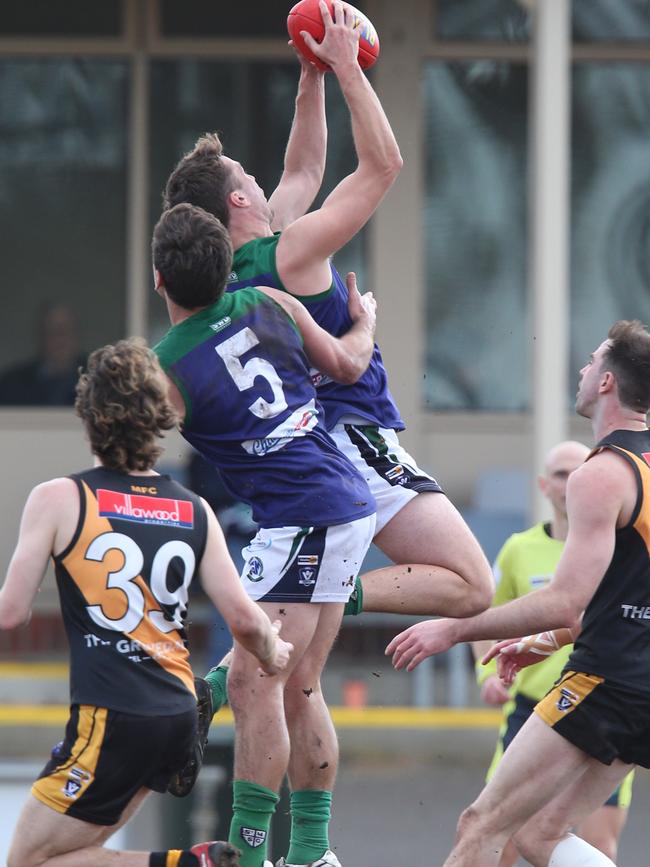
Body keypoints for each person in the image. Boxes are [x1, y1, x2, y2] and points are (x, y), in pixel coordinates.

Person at [161, 0, 494, 632]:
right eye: (248, 177)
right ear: (238, 199)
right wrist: (347, 69)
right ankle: (333, 592)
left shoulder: (241, 263)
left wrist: (309, 77)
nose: (263, 180)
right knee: (471, 584)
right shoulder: (290, 252)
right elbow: (383, 165)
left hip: (308, 446)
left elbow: (305, 167)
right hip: (350, 430)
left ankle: (268, 638)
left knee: (295, 676)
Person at [0, 337, 293, 867]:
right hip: (177, 716)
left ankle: (193, 865)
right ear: (159, 416)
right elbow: (246, 620)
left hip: (113, 719)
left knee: (26, 862)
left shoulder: (59, 498)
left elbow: (11, 612)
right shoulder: (193, 508)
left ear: (89, 415)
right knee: (77, 853)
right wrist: (273, 653)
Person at [152, 202, 378, 867]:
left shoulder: (166, 367)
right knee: (296, 680)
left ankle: (250, 854)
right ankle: (309, 852)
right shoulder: (269, 300)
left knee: (259, 684)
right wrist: (367, 321)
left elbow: (134, 442)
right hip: (341, 499)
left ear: (159, 279)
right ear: (225, 266)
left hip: (303, 513)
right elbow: (347, 363)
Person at [387, 319, 650, 867]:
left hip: (607, 681)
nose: (582, 369)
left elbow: (565, 598)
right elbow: (621, 598)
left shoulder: (601, 474)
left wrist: (454, 629)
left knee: (481, 824)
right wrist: (549, 640)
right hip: (638, 683)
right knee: (539, 836)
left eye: (592, 360)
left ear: (606, 382)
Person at [472, 440, 633, 866]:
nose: (570, 481)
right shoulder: (518, 549)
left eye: (579, 469)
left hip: (603, 704)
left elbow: (575, 616)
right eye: (560, 474)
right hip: (532, 710)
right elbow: (490, 615)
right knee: (496, 832)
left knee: (594, 844)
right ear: (544, 485)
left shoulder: (621, 550)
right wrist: (487, 675)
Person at [0, 302, 86, 405]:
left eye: (66, 330)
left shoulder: (98, 381)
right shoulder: (12, 384)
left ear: (77, 335)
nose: (61, 339)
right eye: (54, 331)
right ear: (41, 336)